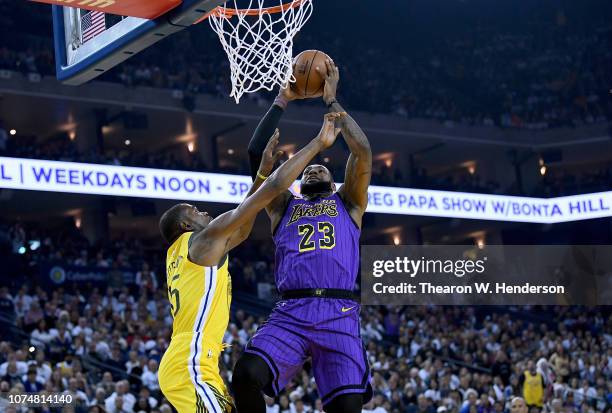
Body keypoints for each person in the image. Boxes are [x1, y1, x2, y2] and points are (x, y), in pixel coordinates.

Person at [157, 113, 344, 413]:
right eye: (193, 210)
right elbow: (267, 194)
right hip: (189, 361)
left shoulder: (188, 251)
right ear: (184, 226)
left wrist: (260, 175)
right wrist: (315, 146)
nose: (202, 211)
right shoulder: (201, 241)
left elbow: (242, 228)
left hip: (193, 361)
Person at [233, 58, 373, 413]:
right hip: (291, 310)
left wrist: (331, 101)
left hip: (338, 310)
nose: (312, 167)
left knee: (348, 408)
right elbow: (255, 152)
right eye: (307, 169)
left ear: (331, 180)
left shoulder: (350, 202)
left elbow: (363, 151)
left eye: (319, 166)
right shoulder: (283, 205)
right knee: (246, 374)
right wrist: (282, 100)